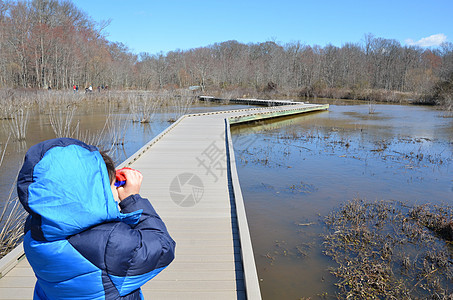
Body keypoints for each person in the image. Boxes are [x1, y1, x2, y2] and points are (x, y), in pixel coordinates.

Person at [17, 138, 175, 299]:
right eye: (114, 184)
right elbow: (164, 247)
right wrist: (132, 199)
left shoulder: (34, 231)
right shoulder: (111, 242)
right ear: (98, 191)